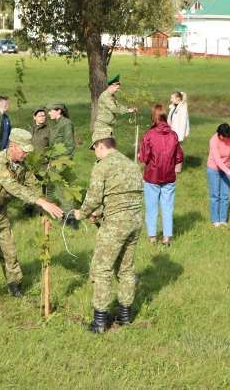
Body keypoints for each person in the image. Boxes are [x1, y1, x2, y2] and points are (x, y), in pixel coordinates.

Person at [0, 129, 63, 307]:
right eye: (24, 150)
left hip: (0, 210)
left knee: (9, 250)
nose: (26, 154)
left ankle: (15, 286)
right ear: (13, 146)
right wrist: (40, 202)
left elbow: (33, 185)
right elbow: (12, 186)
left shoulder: (21, 165)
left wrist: (43, 206)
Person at [73, 129, 144, 333]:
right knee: (126, 268)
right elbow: (125, 194)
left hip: (115, 225)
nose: (95, 153)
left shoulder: (102, 166)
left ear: (100, 145)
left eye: (94, 148)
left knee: (102, 269)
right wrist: (101, 212)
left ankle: (100, 321)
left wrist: (83, 213)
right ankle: (124, 315)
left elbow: (94, 196)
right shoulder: (131, 165)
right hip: (135, 221)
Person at [140, 105, 184, 245]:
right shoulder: (173, 135)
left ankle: (152, 238)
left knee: (151, 207)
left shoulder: (149, 135)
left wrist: (140, 156)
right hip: (169, 176)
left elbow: (144, 158)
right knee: (167, 207)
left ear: (154, 117)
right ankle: (166, 238)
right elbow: (179, 157)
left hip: (152, 176)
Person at [206, 123, 230, 227]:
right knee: (215, 195)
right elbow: (217, 160)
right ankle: (215, 220)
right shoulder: (213, 140)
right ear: (219, 134)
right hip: (214, 168)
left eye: (226, 137)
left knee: (225, 195)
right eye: (222, 137)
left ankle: (223, 220)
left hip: (226, 167)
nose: (224, 139)